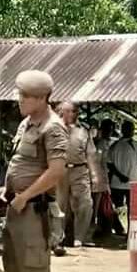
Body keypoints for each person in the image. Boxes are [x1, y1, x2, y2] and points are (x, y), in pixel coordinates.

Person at [0, 70, 67, 272]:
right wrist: (8, 189)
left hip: (34, 210)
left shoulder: (53, 127)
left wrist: (25, 195)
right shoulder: (27, 123)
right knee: (13, 265)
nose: (20, 100)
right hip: (16, 206)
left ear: (42, 98)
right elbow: (19, 161)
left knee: (34, 268)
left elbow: (57, 171)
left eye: (26, 96)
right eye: (20, 94)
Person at [50, 101, 97, 254]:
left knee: (85, 203)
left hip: (79, 170)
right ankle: (58, 238)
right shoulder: (53, 129)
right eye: (70, 111)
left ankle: (79, 237)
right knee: (59, 205)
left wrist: (94, 174)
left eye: (75, 111)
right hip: (59, 171)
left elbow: (90, 154)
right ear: (61, 112)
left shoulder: (83, 132)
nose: (73, 114)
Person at [108, 121, 137, 237]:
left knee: (120, 208)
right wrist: (121, 175)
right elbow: (110, 164)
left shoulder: (115, 146)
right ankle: (124, 231)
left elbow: (110, 165)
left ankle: (125, 231)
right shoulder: (134, 146)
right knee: (125, 209)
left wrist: (119, 175)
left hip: (122, 183)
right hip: (127, 182)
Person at [92, 119, 116, 236]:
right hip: (99, 177)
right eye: (109, 130)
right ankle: (94, 226)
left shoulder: (106, 143)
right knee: (97, 205)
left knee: (102, 203)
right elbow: (99, 162)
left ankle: (102, 227)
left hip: (103, 175)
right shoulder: (101, 144)